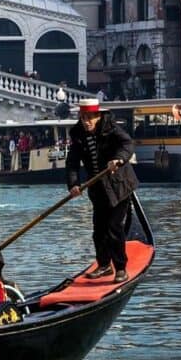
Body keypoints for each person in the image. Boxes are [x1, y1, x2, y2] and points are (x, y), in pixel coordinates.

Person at [66, 98, 139, 284]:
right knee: (99, 230)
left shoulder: (111, 127)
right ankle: (104, 265)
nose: (86, 121)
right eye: (83, 118)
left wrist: (118, 159)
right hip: (97, 187)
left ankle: (121, 268)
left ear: (98, 117)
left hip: (119, 185)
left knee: (114, 227)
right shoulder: (77, 133)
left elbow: (128, 144)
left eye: (90, 118)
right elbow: (72, 162)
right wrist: (73, 184)